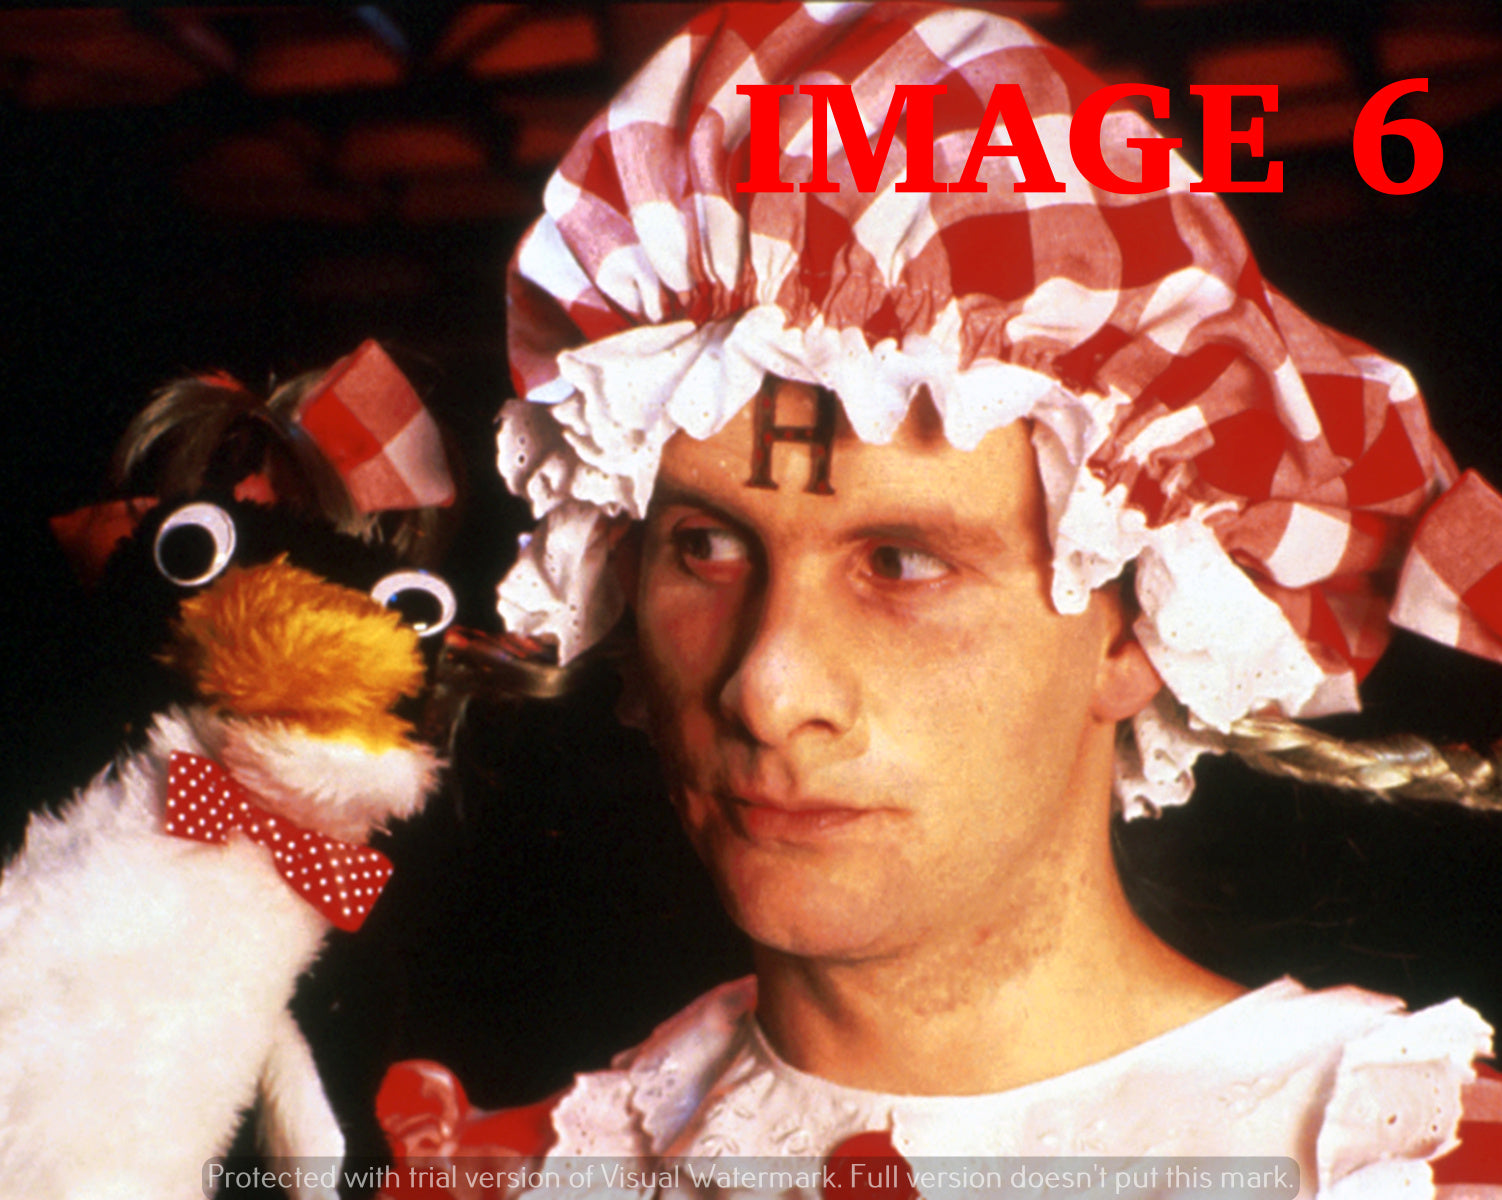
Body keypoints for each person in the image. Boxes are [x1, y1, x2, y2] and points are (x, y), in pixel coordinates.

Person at [378, 3, 1502, 1195]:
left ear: (1138, 629)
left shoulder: (1404, 1160)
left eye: (902, 563)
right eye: (703, 545)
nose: (766, 688)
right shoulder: (504, 1174)